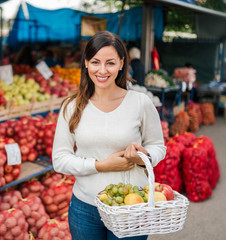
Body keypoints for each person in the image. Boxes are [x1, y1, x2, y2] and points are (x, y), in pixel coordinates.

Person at [52, 31, 166, 240]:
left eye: (110, 63)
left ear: (122, 64)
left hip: (131, 208)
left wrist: (144, 157)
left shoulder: (140, 103)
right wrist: (100, 166)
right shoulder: (72, 106)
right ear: (86, 63)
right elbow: (59, 160)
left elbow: (158, 145)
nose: (102, 70)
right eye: (95, 62)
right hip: (85, 209)